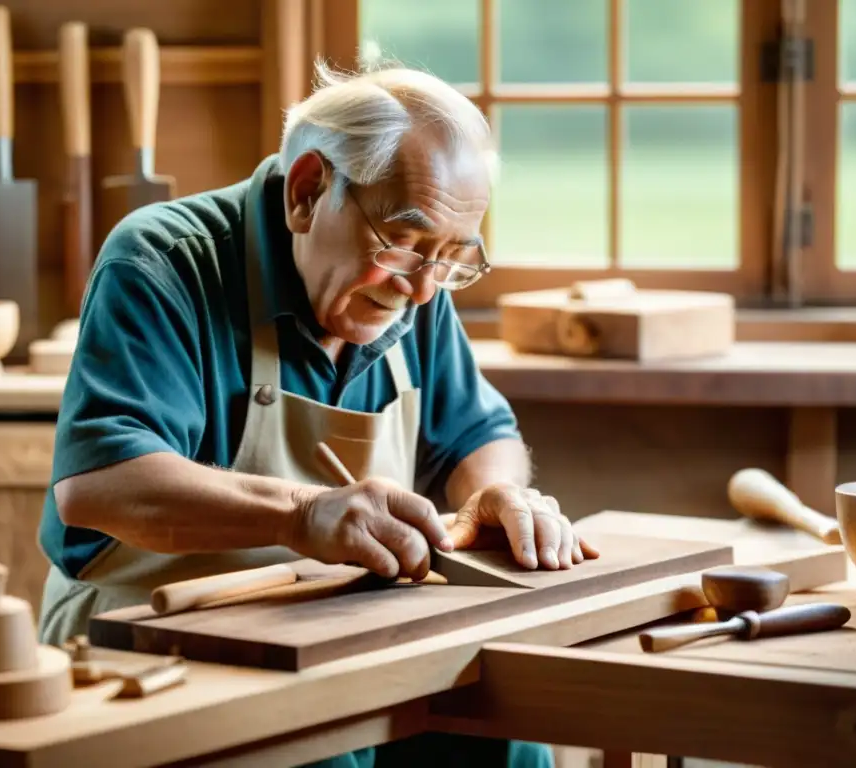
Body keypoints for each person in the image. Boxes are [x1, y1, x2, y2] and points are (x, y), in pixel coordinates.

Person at [36, 60, 595, 768]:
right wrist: (302, 514)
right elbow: (98, 485)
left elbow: (479, 434)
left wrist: (493, 493)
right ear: (307, 192)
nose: (423, 291)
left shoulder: (417, 282)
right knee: (317, 755)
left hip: (332, 622)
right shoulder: (165, 261)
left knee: (508, 743)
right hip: (146, 627)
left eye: (452, 259)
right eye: (404, 245)